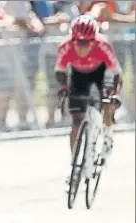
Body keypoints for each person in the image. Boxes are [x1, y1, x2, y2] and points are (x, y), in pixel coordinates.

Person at [55, 15, 122, 178]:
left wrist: (115, 95)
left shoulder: (103, 45)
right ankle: (76, 165)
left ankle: (107, 134)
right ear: (72, 39)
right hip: (79, 74)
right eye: (78, 41)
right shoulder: (65, 46)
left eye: (87, 42)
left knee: (107, 101)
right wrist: (64, 88)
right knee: (76, 121)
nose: (82, 46)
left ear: (95, 40)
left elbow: (117, 74)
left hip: (101, 72)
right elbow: (60, 71)